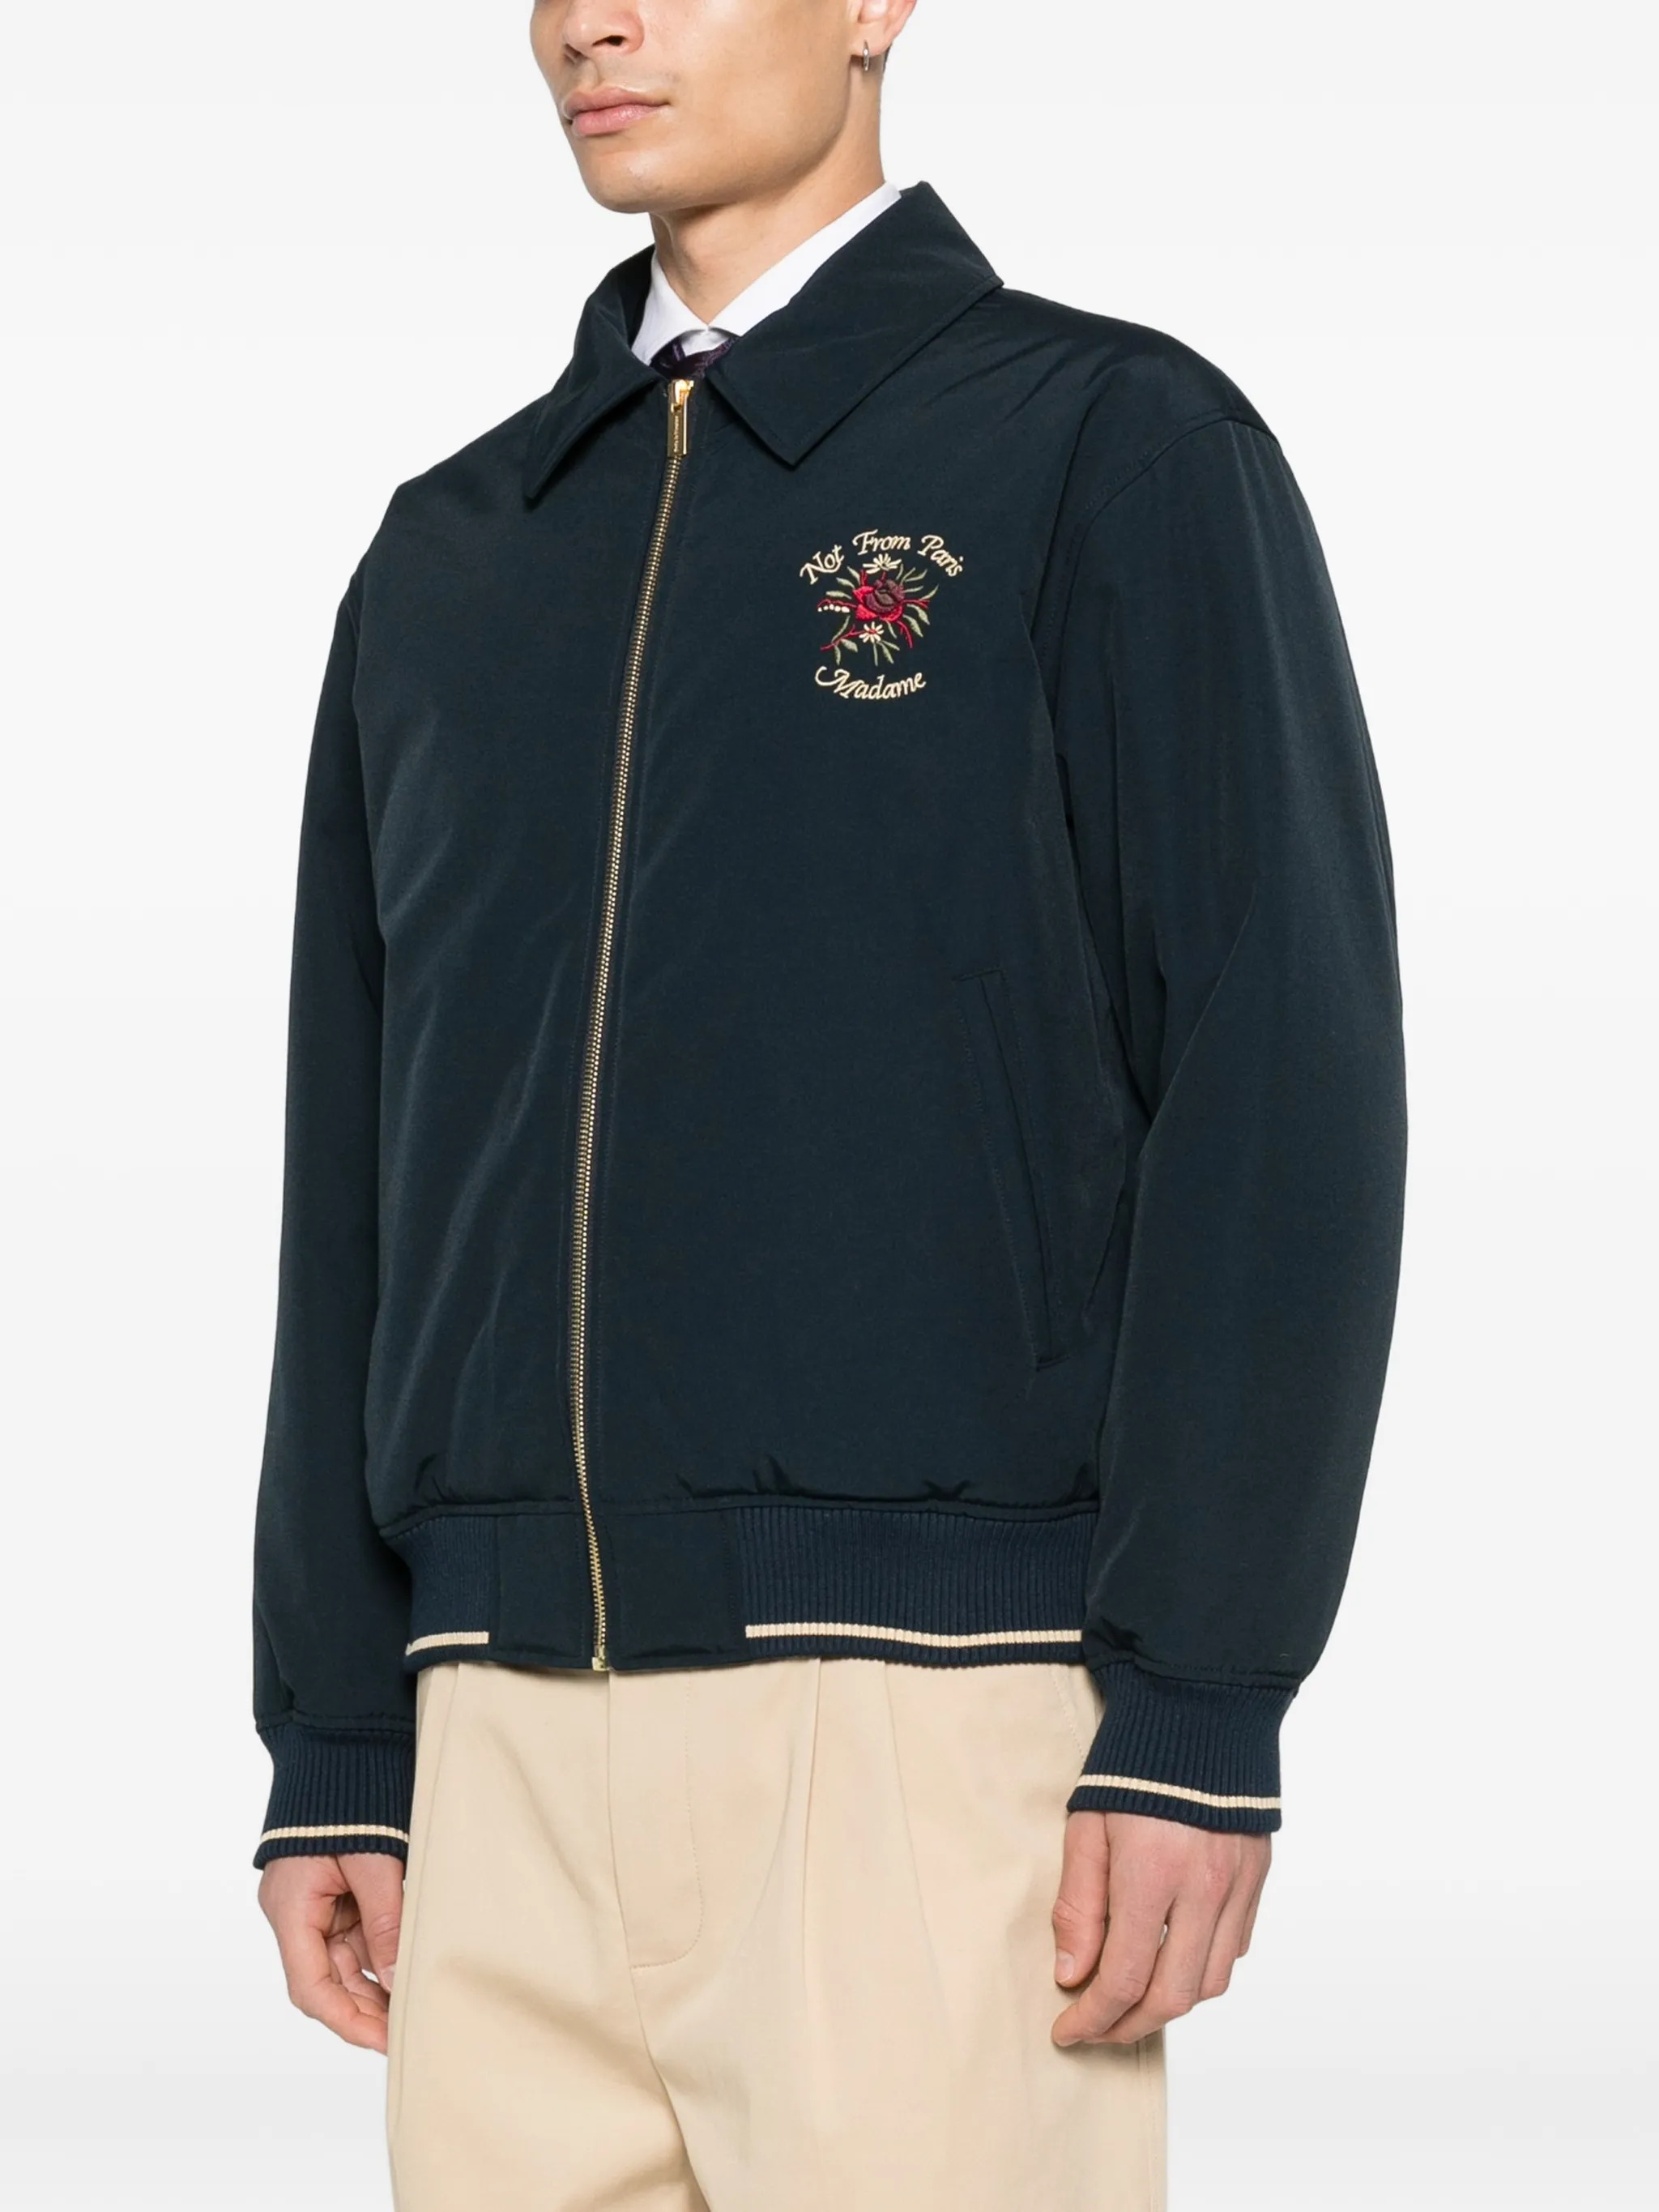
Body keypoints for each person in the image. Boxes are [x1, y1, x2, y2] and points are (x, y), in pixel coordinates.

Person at [253, 3, 1406, 2207]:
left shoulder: (1107, 449)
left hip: (932, 1725)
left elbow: (1281, 1086)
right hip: (494, 1751)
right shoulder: (449, 553)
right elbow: (358, 1173)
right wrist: (338, 1729)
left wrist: (1198, 1699)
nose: (590, 22)